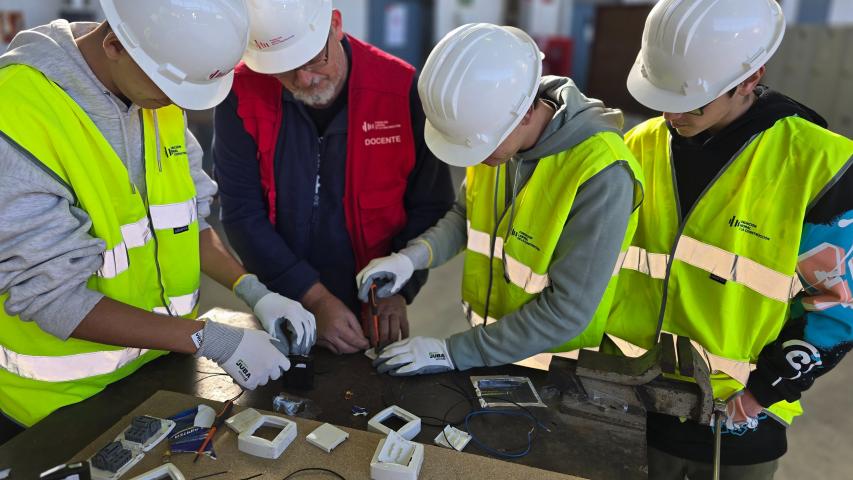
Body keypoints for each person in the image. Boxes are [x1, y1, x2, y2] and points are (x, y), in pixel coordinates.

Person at [0, 0, 316, 441]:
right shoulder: (18, 113)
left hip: (157, 378)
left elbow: (190, 222)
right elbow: (54, 299)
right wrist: (213, 340)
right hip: (56, 412)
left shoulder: (158, 84)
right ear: (114, 44)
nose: (174, 104)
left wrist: (255, 291)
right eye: (167, 89)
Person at [604, 0, 853, 477]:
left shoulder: (818, 166)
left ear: (749, 78)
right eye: (663, 94)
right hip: (631, 403)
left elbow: (838, 306)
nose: (672, 112)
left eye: (690, 98)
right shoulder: (640, 144)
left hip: (736, 423)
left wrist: (762, 394)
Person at [356, 23, 644, 375]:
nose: (475, 157)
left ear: (524, 112)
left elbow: (567, 311)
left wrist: (451, 351)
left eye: (479, 145)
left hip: (557, 371)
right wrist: (410, 258)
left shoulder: (602, 172)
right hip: (490, 351)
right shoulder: (497, 141)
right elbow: (465, 217)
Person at [212, 0, 454, 354]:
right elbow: (241, 214)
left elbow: (429, 203)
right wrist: (314, 299)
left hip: (375, 299)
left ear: (336, 25)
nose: (303, 80)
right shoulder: (242, 93)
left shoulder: (399, 88)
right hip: (284, 295)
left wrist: (398, 287)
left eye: (314, 60)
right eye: (285, 70)